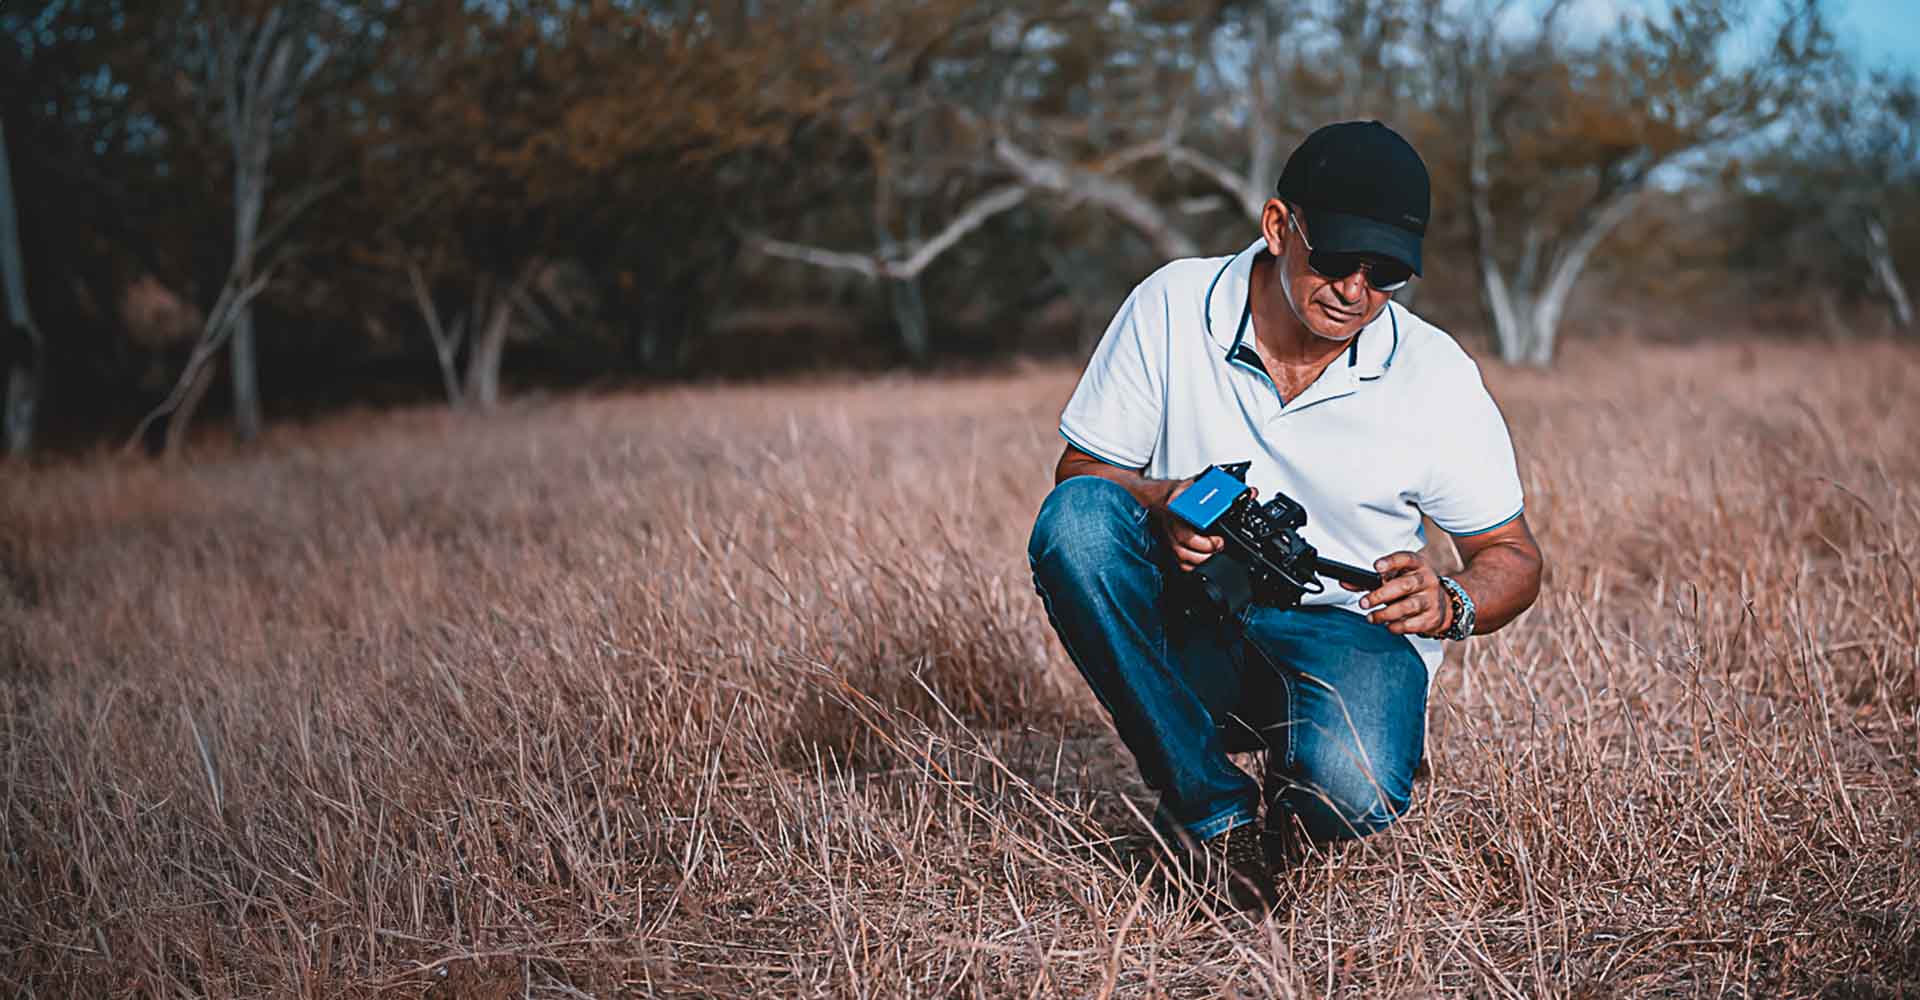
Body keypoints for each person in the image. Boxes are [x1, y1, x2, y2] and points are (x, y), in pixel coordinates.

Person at [1025, 120, 1544, 911]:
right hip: (1192, 613)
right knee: (1077, 523)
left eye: (1388, 274)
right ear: (1277, 228)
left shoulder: (1436, 374)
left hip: (1348, 632)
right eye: (1336, 260)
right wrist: (1165, 502)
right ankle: (1208, 808)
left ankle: (1333, 768)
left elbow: (1513, 555)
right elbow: (1081, 479)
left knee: (1356, 787)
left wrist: (1453, 601)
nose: (1355, 291)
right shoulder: (1171, 305)